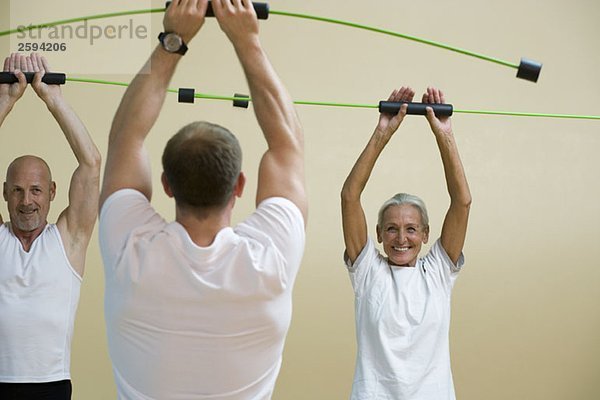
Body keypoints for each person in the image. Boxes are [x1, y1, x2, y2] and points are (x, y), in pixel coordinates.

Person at [98, 0, 307, 398]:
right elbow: (287, 146)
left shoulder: (130, 249)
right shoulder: (270, 261)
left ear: (166, 185)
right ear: (240, 186)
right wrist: (247, 41)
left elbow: (126, 137)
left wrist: (172, 42)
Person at [341, 86, 472, 399]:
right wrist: (382, 132)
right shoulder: (368, 272)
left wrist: (444, 134)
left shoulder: (438, 272)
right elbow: (350, 197)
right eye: (391, 229)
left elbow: (462, 202)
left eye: (411, 229)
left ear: (426, 234)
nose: (401, 239)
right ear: (378, 234)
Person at [0, 53, 101, 400]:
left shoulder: (68, 241)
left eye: (36, 190)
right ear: (5, 194)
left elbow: (90, 163)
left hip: (51, 387)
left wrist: (53, 100)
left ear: (52, 192)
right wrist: (5, 100)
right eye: (17, 191)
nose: (26, 201)